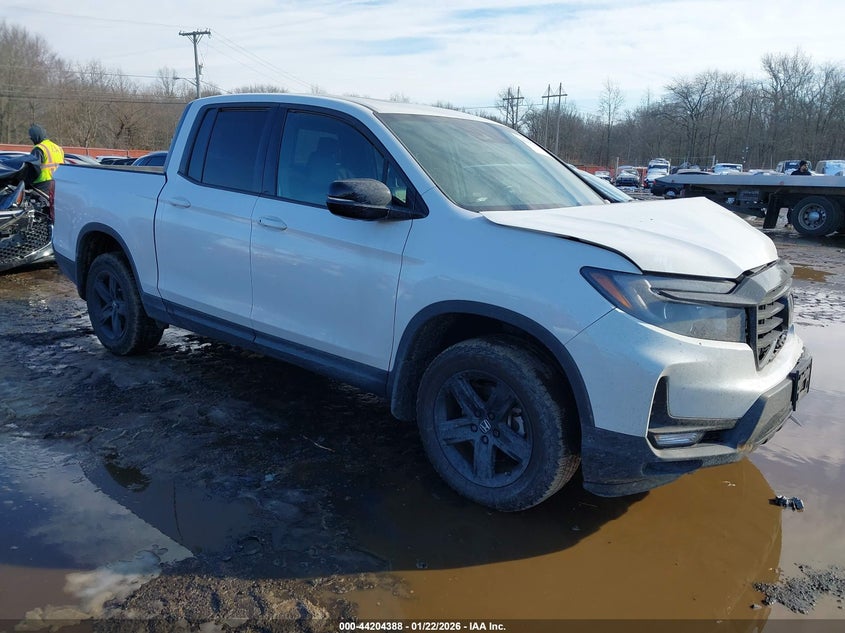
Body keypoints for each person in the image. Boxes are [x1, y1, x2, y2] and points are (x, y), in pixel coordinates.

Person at [28, 124, 65, 195]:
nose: (31, 139)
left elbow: (34, 169)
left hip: (42, 184)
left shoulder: (39, 148)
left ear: (36, 136)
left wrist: (27, 181)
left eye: (32, 137)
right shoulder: (58, 148)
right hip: (57, 182)